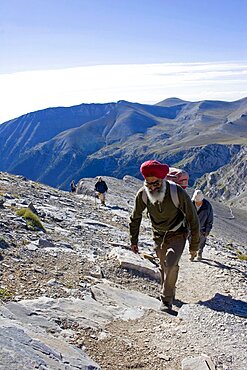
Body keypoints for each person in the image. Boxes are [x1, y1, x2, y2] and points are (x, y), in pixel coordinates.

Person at [129, 160, 200, 312]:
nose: (152, 187)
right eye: (149, 184)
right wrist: (133, 241)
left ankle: (166, 300)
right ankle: (168, 290)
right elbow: (135, 217)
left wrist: (194, 246)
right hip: (158, 236)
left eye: (156, 184)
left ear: (163, 180)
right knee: (163, 266)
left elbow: (193, 219)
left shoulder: (177, 192)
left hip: (178, 234)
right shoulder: (143, 194)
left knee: (171, 264)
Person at [191, 189, 214, 261]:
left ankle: (200, 252)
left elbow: (210, 219)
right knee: (191, 240)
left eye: (198, 202)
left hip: (202, 228)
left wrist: (207, 230)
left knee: (202, 241)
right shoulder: (191, 204)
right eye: (196, 201)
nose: (197, 203)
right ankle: (192, 253)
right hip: (191, 227)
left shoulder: (207, 206)